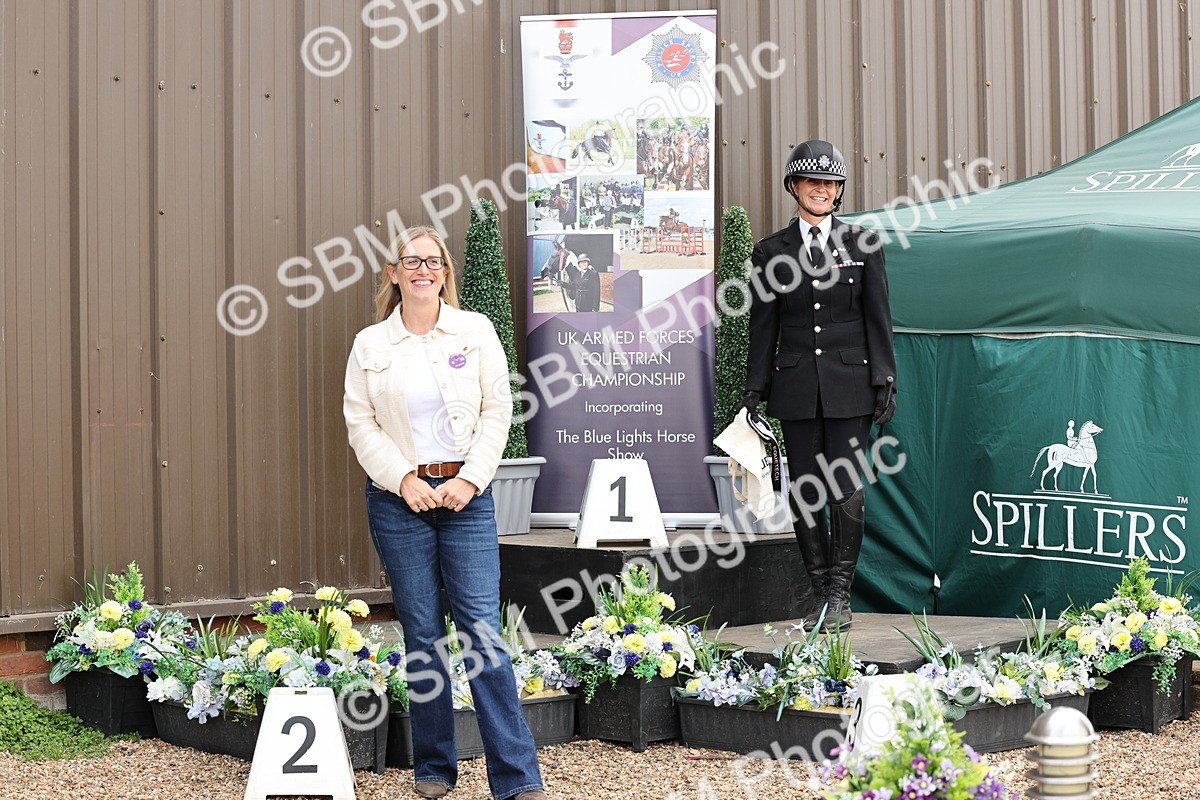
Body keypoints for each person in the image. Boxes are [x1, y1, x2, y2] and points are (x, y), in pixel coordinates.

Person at [343, 225, 547, 800]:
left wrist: (472, 479)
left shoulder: (475, 331)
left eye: (433, 262)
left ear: (445, 272)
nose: (423, 270)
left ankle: (516, 776)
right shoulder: (370, 345)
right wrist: (404, 479)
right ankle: (434, 769)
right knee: (423, 635)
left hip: (465, 499)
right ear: (393, 273)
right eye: (411, 262)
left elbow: (497, 409)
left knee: (482, 631)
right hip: (398, 502)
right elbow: (361, 425)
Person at [741, 140, 897, 632]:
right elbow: (763, 327)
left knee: (846, 490)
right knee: (805, 492)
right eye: (813, 183)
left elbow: (879, 317)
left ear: (838, 192)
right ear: (795, 188)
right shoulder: (770, 251)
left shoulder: (862, 244)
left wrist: (885, 378)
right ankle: (817, 593)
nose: (821, 191)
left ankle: (840, 595)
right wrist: (754, 390)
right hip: (795, 389)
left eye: (829, 184)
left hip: (851, 385)